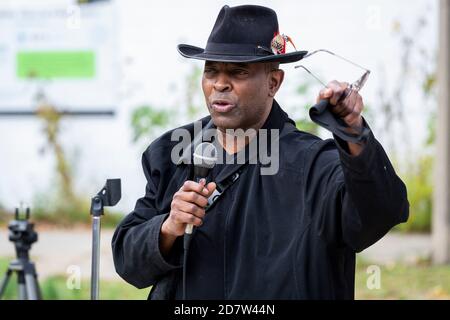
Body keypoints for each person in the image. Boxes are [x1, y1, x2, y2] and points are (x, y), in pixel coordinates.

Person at [112, 4, 409, 299]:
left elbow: (381, 212)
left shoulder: (311, 165)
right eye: (211, 71)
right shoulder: (171, 155)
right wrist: (168, 227)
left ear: (273, 82)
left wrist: (353, 132)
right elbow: (128, 259)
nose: (219, 84)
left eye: (238, 72)